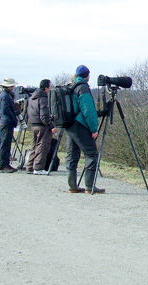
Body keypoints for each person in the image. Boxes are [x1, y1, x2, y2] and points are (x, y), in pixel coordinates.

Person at [64, 65, 105, 193]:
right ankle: (90, 186)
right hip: (79, 124)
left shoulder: (70, 86)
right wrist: (94, 128)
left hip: (69, 124)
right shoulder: (83, 88)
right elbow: (88, 110)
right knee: (91, 153)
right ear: (87, 75)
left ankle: (72, 185)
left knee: (72, 154)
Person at [26, 79, 58, 175]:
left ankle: (30, 167)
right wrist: (51, 126)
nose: (51, 88)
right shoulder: (43, 98)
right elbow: (44, 115)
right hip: (42, 126)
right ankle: (38, 167)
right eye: (50, 87)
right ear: (46, 88)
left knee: (35, 146)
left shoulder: (32, 97)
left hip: (33, 124)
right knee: (42, 146)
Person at [0, 77, 20, 173]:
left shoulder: (5, 95)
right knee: (5, 144)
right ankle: (3, 165)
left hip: (5, 121)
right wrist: (13, 118)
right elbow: (5, 110)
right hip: (6, 122)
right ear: (10, 86)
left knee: (5, 144)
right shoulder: (5, 96)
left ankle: (4, 163)